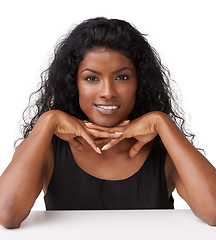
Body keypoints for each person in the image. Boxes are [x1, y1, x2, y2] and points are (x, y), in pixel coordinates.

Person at [0, 17, 215, 229]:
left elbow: (213, 211)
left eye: (122, 77)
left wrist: (163, 123)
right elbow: (6, 213)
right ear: (73, 84)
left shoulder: (165, 150)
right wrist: (47, 121)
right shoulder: (48, 148)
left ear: (139, 82)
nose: (107, 93)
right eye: (91, 78)